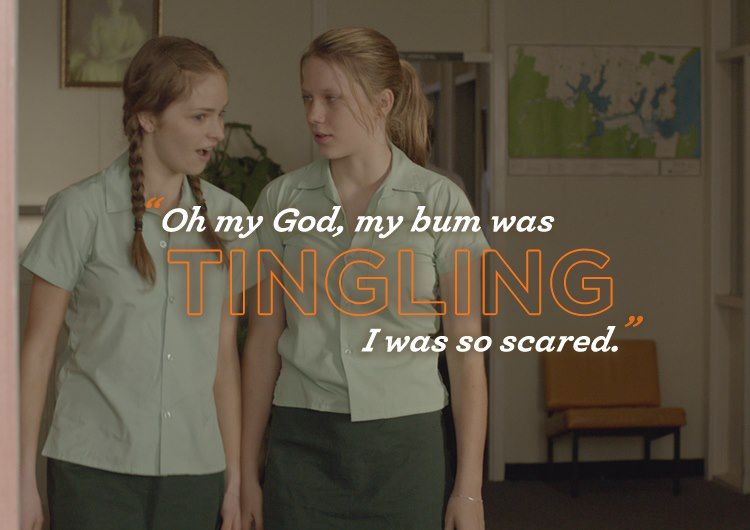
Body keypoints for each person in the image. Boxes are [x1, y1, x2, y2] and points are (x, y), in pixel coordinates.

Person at [240, 27, 488, 530]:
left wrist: (469, 490)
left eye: (331, 98)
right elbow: (263, 341)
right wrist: (245, 472)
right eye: (307, 98)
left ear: (383, 103)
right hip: (301, 445)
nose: (314, 114)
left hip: (406, 448)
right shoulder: (280, 200)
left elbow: (466, 353)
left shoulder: (441, 202)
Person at [20, 36, 254, 530]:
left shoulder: (231, 219)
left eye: (220, 115)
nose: (216, 132)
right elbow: (36, 353)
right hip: (93, 472)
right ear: (147, 117)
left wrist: (234, 479)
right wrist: (19, 480)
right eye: (199, 116)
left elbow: (223, 359)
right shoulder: (79, 211)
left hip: (196, 473)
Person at [73, 0, 148, 83]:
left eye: (116, 1)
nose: (113, 4)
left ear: (121, 2)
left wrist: (118, 57)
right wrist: (96, 54)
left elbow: (137, 46)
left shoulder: (129, 20)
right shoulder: (98, 19)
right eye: (110, 1)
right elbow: (94, 45)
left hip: (122, 60)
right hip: (102, 60)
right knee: (87, 69)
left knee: (129, 72)